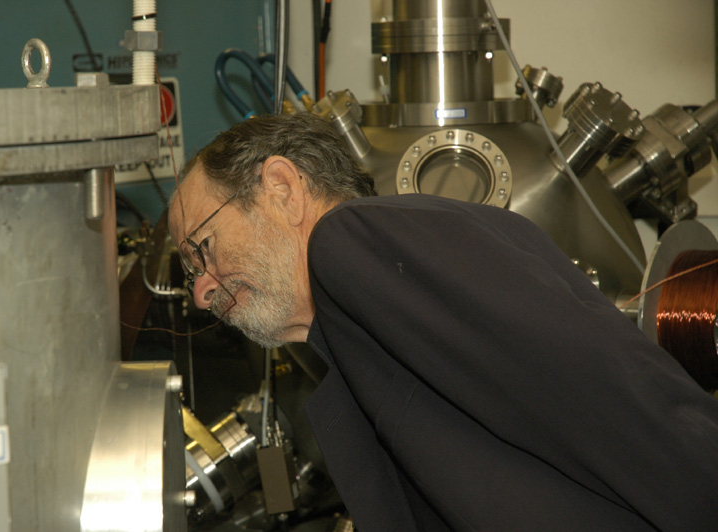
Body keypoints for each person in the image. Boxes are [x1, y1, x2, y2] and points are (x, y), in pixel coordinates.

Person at [169, 112, 718, 532]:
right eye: (191, 272)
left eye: (203, 249)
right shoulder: (352, 330)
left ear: (282, 188)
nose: (201, 291)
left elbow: (594, 387)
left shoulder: (353, 239)